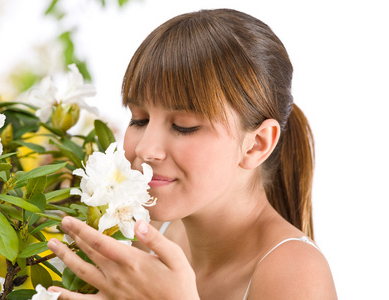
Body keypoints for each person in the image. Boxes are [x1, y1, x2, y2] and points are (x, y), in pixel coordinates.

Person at [47, 8, 337, 299]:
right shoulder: (151, 231)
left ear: (257, 144)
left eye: (184, 126)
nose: (146, 149)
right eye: (139, 119)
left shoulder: (296, 274)